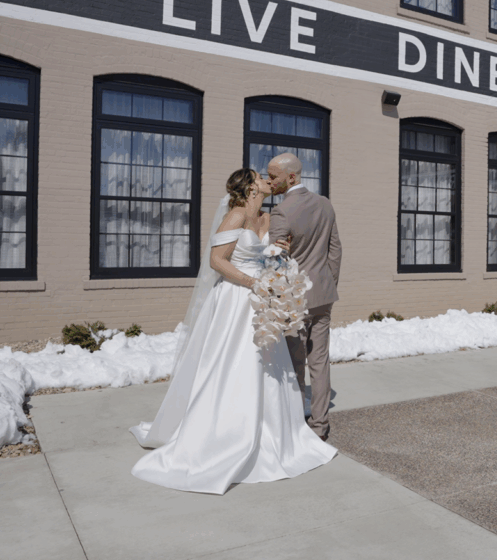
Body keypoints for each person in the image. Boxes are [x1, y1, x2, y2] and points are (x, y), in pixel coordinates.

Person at [129, 168, 336, 495]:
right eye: (259, 175)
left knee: (267, 365)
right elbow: (217, 261)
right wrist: (254, 283)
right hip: (235, 300)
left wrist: (279, 256)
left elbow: (269, 259)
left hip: (261, 303)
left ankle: (273, 431)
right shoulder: (236, 216)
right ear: (249, 186)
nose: (267, 179)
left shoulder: (267, 220)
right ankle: (225, 433)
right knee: (232, 363)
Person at [266, 153, 341, 441]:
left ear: (292, 177)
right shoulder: (325, 204)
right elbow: (335, 251)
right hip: (323, 295)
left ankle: (297, 424)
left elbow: (275, 262)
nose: (269, 181)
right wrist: (328, 284)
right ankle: (320, 426)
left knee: (296, 365)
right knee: (320, 362)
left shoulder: (281, 211)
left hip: (295, 301)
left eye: (273, 176)